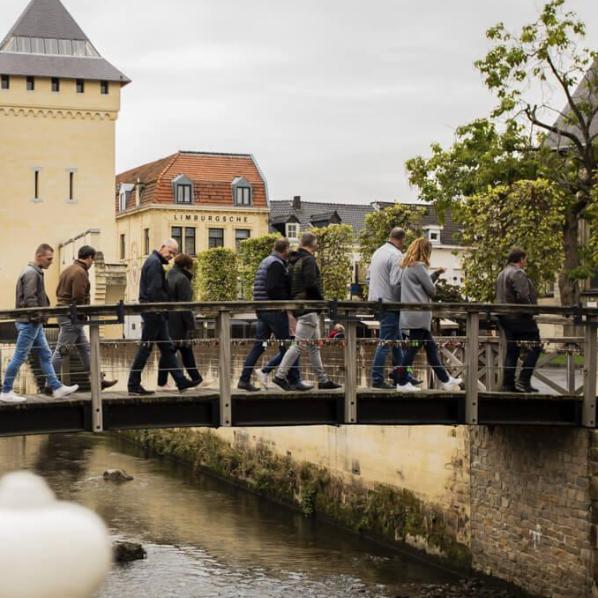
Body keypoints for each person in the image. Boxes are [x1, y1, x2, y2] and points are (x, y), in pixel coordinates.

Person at [0, 244, 79, 403]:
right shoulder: (31, 273)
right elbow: (30, 299)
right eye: (49, 259)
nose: (51, 262)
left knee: (45, 354)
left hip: (33, 321)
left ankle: (56, 387)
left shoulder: (33, 272)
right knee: (20, 356)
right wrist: (39, 318)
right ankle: (6, 390)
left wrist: (39, 319)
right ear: (39, 256)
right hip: (30, 322)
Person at [127, 239, 201, 395]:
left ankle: (181, 382)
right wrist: (163, 305)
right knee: (146, 348)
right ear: (162, 247)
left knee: (167, 348)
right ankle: (133, 384)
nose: (171, 256)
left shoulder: (153, 262)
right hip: (154, 312)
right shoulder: (155, 264)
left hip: (155, 312)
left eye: (174, 254)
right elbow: (155, 290)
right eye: (170, 252)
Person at [237, 238, 309, 392]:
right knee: (289, 345)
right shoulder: (276, 264)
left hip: (263, 311)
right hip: (274, 311)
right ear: (286, 249)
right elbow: (273, 288)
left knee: (259, 346)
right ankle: (293, 380)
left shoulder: (266, 261)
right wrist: (285, 303)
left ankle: (244, 379)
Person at [272, 232, 341, 391]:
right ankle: (279, 376)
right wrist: (320, 300)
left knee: (314, 346)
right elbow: (311, 283)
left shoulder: (293, 260)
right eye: (316, 243)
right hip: (309, 307)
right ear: (313, 243)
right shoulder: (309, 260)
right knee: (299, 345)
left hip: (299, 305)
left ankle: (323, 380)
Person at [393, 238, 462, 392]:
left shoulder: (409, 267)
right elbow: (431, 290)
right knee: (413, 349)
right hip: (420, 316)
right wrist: (435, 277)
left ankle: (445, 380)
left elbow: (423, 284)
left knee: (430, 348)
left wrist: (436, 274)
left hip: (412, 315)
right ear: (426, 252)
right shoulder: (419, 266)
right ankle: (402, 382)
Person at [51, 245, 118, 391]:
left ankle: (98, 380)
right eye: (93, 260)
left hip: (66, 314)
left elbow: (60, 292)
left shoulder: (68, 270)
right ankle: (50, 383)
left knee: (85, 349)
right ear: (89, 258)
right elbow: (78, 296)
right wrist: (84, 313)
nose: (92, 263)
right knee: (62, 350)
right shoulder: (80, 272)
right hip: (72, 317)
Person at [368, 227, 421, 389]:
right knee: (385, 342)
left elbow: (368, 277)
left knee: (396, 341)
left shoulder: (378, 253)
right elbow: (396, 282)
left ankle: (403, 375)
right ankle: (377, 379)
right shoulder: (397, 255)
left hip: (376, 301)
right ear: (402, 240)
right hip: (390, 303)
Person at [495, 248, 541, 393]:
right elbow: (522, 295)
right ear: (520, 259)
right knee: (536, 345)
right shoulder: (518, 273)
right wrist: (530, 312)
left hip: (504, 317)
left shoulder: (501, 273)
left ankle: (508, 384)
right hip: (518, 316)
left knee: (512, 349)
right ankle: (524, 379)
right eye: (525, 259)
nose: (526, 262)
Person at [157, 253, 202, 389]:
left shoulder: (167, 275)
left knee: (181, 350)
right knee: (173, 351)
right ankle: (163, 382)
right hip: (180, 321)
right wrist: (191, 326)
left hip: (168, 319)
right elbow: (186, 305)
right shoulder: (183, 279)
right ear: (186, 266)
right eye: (190, 267)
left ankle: (196, 379)